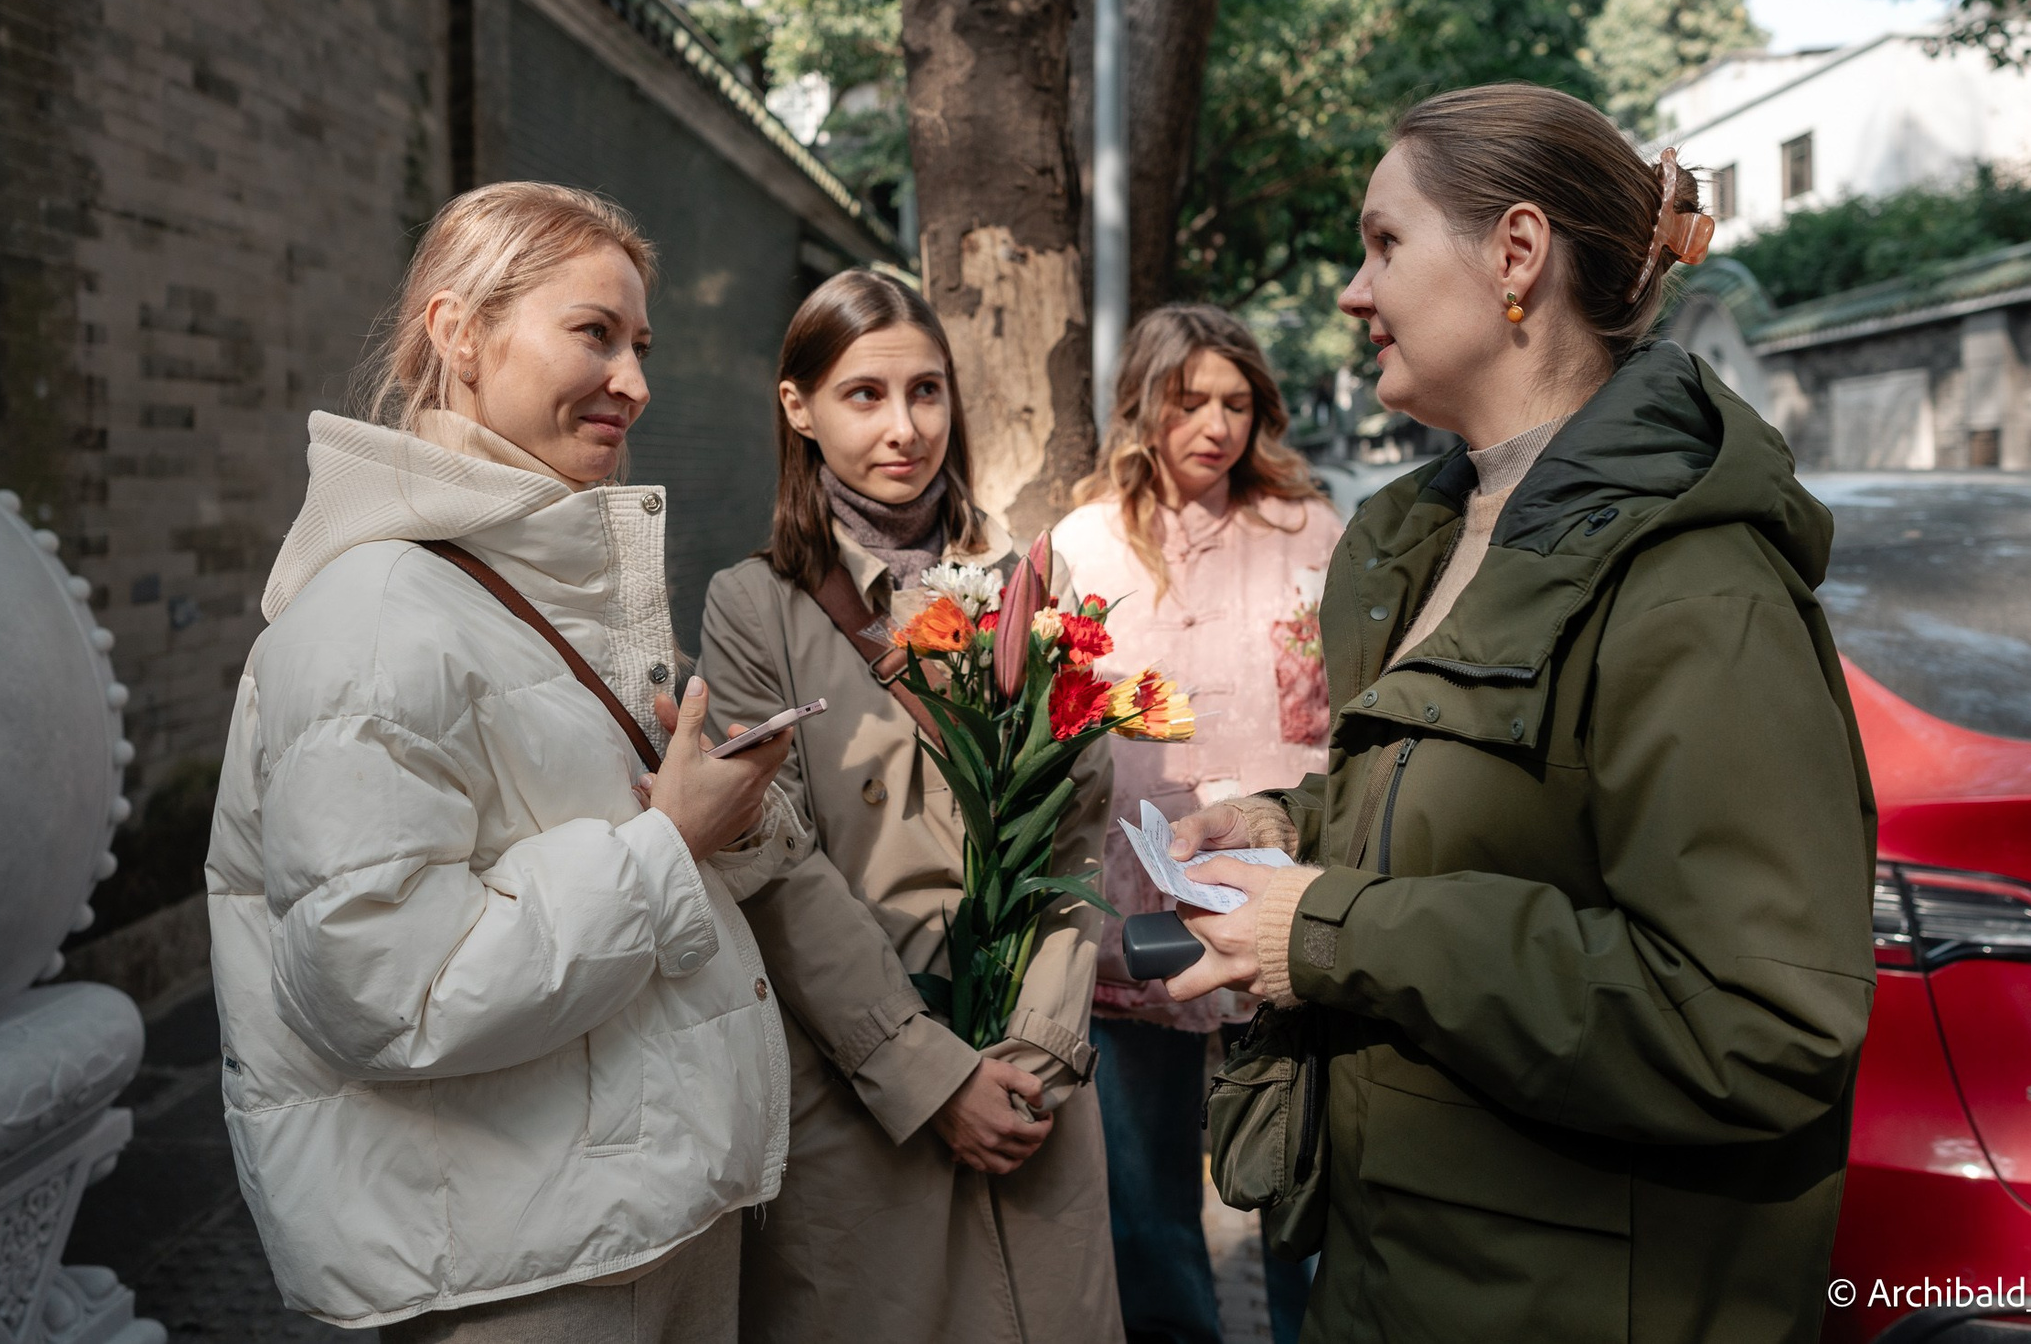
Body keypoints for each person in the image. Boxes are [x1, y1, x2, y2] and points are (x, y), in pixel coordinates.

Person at [1167, 83, 1878, 1344]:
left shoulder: (1695, 587)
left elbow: (1753, 1019)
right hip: (1404, 1276)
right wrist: (1290, 823)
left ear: (1515, 252)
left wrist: (1328, 929)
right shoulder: (1429, 536)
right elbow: (1486, 798)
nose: (1351, 290)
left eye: (1383, 244)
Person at [206, 183, 800, 1344]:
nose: (634, 380)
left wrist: (716, 804)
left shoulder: (545, 585)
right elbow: (392, 992)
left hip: (617, 1217)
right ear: (458, 333)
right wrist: (668, 838)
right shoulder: (379, 611)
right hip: (518, 1268)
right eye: (594, 333)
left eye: (640, 344)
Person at [697, 269, 1120, 1344]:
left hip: (1031, 1095)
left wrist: (1036, 1050)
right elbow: (774, 865)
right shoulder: (756, 605)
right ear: (798, 408)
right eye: (864, 395)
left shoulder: (1032, 578)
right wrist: (930, 1075)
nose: (904, 428)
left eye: (926, 392)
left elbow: (1076, 833)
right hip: (868, 1092)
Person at [1048, 304, 1342, 1344]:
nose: (1215, 426)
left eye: (1236, 403)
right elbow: (1050, 724)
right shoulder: (1082, 546)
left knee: (1307, 1194)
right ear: (1145, 406)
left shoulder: (1307, 528)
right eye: (1190, 402)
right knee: (1146, 1207)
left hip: (1285, 899)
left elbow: (1343, 702)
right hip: (1136, 914)